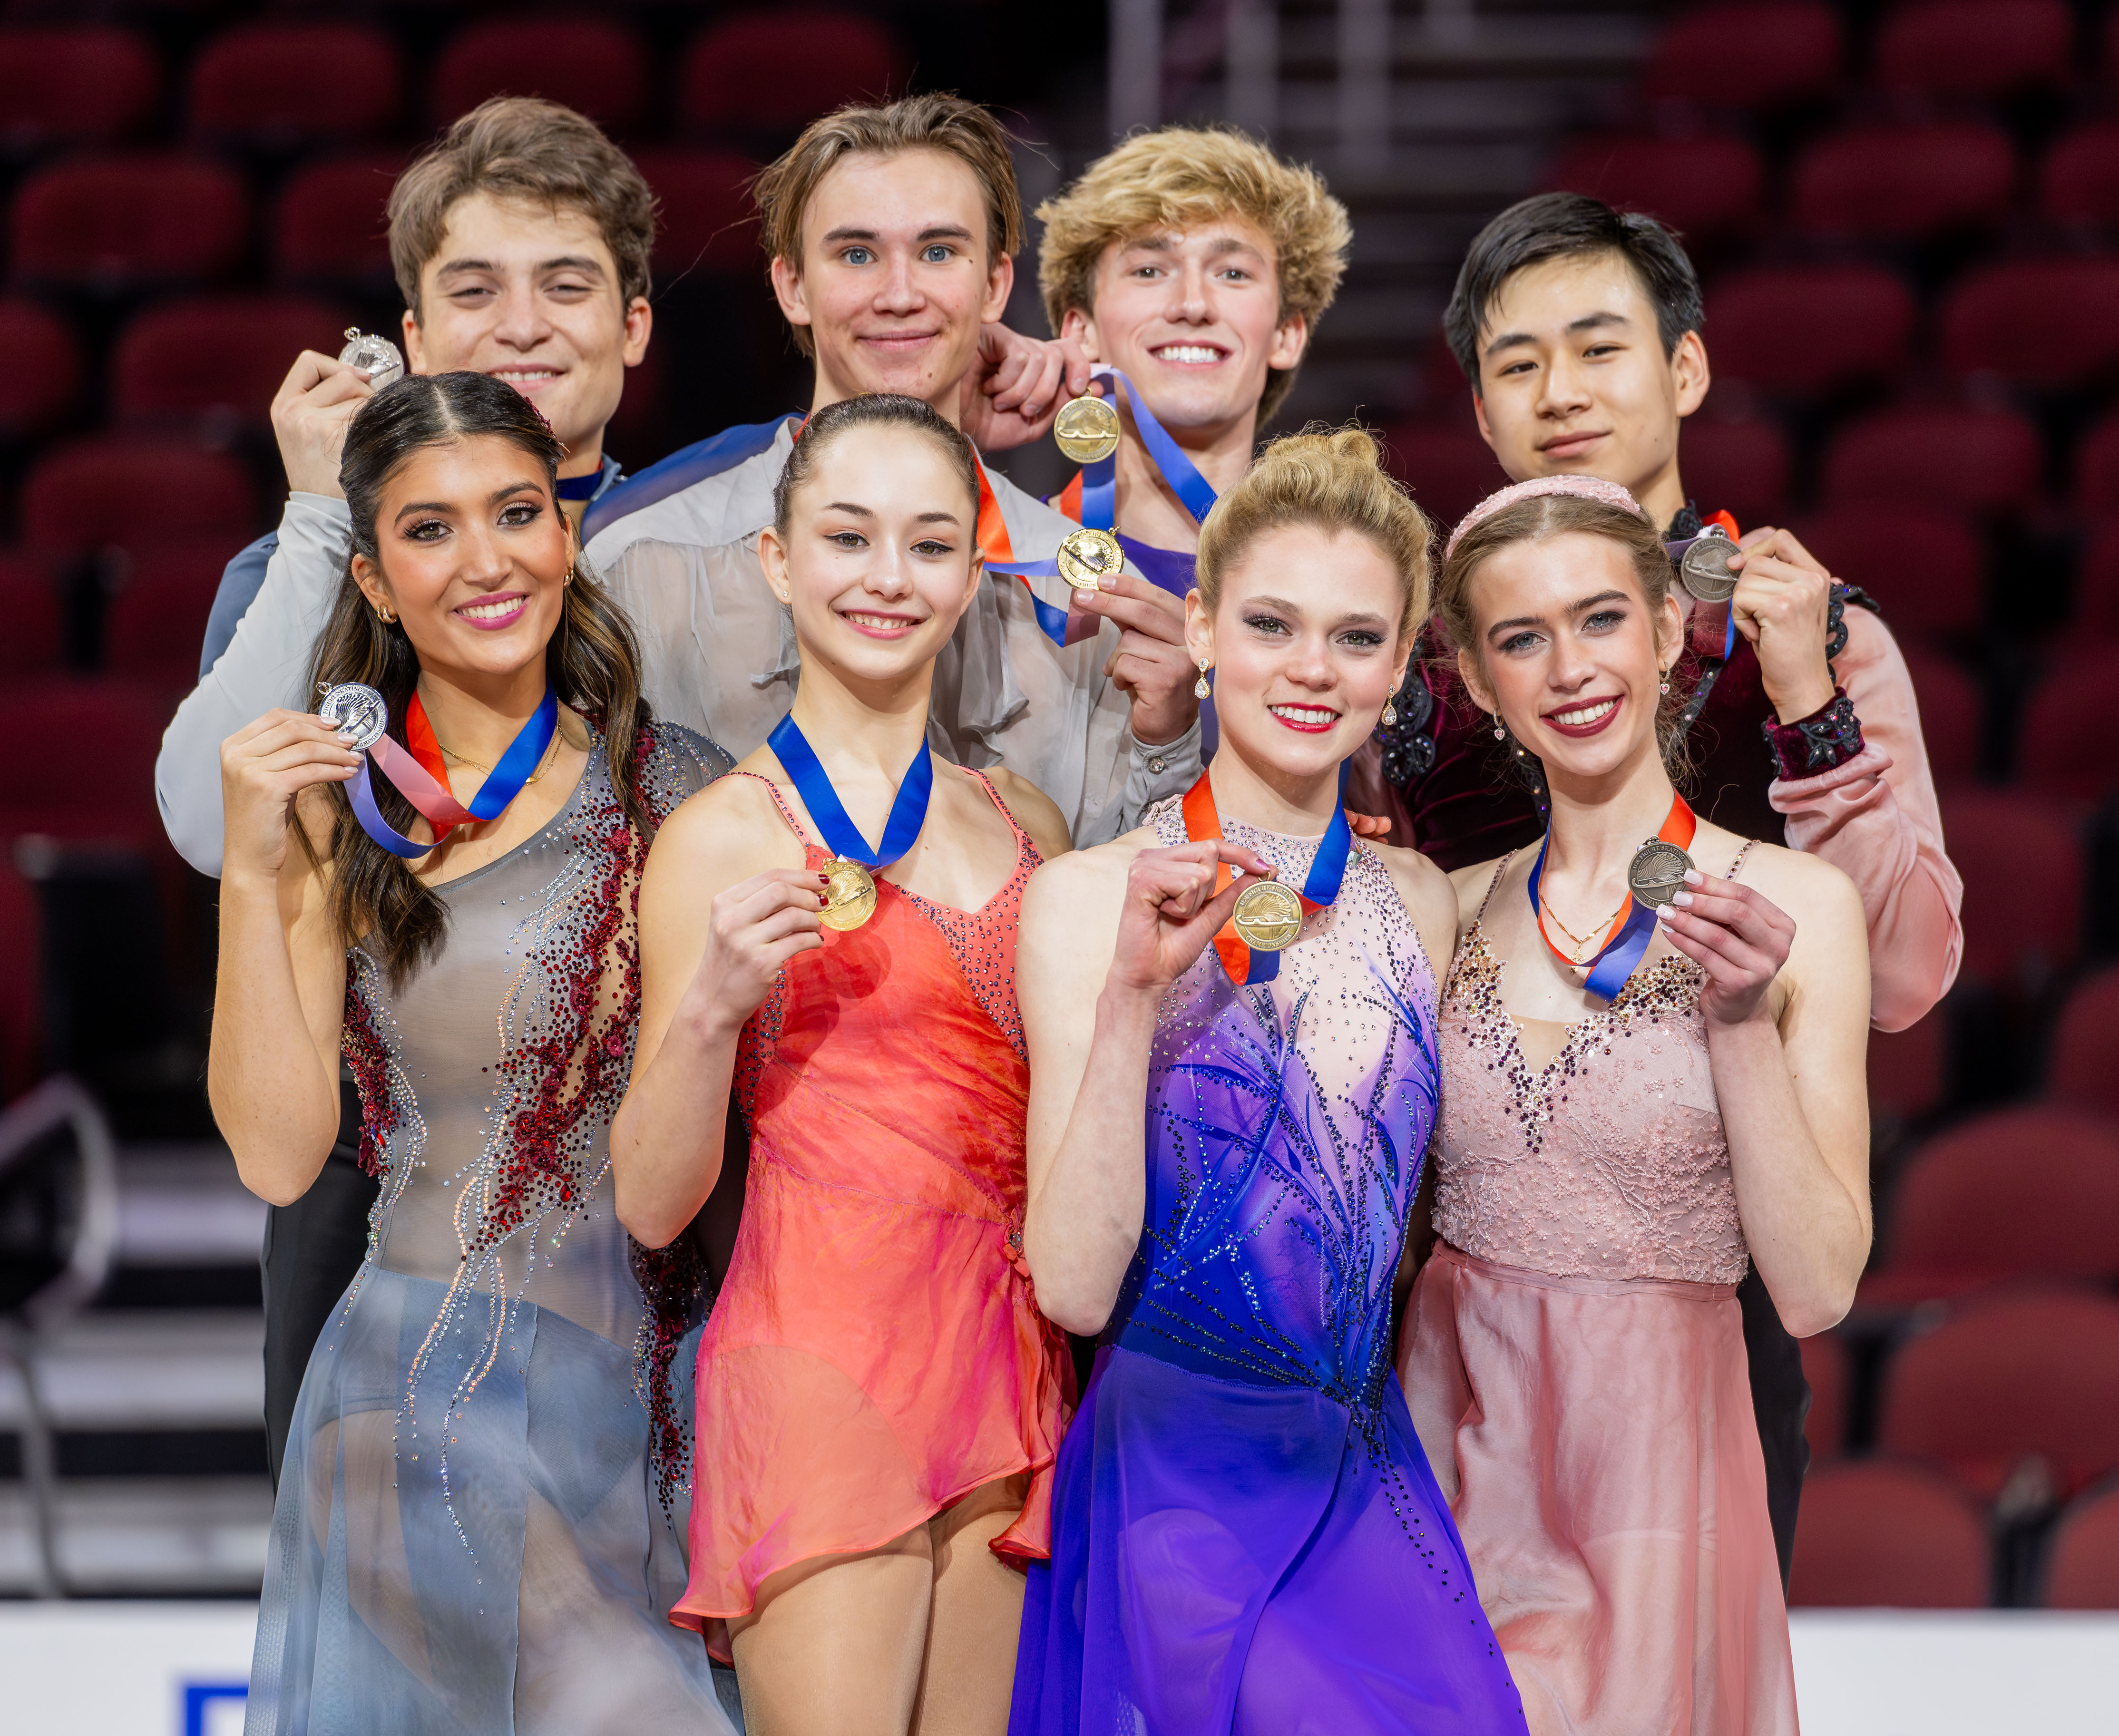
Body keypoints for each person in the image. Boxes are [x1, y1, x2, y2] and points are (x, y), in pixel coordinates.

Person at [158, 92, 1082, 1492]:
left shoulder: (725, 541)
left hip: (670, 1208)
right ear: (411, 337)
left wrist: (966, 395)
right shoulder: (332, 572)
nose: (522, 325)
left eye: (567, 284)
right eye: (473, 291)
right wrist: (313, 516)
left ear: (638, 324)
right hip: (388, 1210)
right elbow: (199, 817)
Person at [1357, 191, 1961, 1576]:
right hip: (1443, 1284)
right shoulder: (1426, 662)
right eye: (1517, 364)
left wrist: (1805, 699)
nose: (1559, 392)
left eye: (1599, 347)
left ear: (1685, 370)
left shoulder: (1816, 634)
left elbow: (1911, 974)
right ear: (1483, 411)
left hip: (1710, 1287)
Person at [213, 371, 737, 1731]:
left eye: (517, 512)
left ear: (567, 531)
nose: (488, 560)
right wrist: (247, 870)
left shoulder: (678, 787)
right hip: (421, 1403)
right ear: (377, 581)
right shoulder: (337, 818)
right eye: (431, 530)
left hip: (652, 1413)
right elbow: (275, 1158)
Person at [1010, 429, 1527, 1736]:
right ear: (1195, 625)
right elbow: (1069, 1285)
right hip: (1171, 1481)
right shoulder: (1083, 899)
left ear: (1401, 663)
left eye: (1356, 638)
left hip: (1363, 1466)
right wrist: (1132, 991)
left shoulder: (1414, 895)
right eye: (1269, 623)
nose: (1310, 667)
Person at [610, 393, 1074, 1736]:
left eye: (928, 544)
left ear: (974, 567)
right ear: (777, 560)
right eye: (847, 536)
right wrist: (708, 1007)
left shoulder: (1024, 818)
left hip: (1010, 1355)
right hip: (820, 1357)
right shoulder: (715, 836)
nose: (886, 577)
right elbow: (649, 1201)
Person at [1399, 475, 1872, 1734]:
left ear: (1666, 630)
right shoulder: (1447, 906)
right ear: (1482, 682)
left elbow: (1818, 1286)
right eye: (1519, 637)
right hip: (1448, 1437)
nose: (1566, 666)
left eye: (1599, 618)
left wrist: (1736, 1030)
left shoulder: (1793, 906)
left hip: (1654, 1457)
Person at [584, 93, 1201, 847]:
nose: (900, 294)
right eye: (856, 255)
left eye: (939, 252)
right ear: (792, 288)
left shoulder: (1073, 594)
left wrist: (1169, 745)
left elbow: (1121, 884)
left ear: (996, 284)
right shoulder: (639, 569)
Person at [1032, 126, 1347, 605]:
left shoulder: (1346, 580)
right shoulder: (1004, 560)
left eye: (1233, 273)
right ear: (1081, 333)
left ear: (1286, 335)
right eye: (1149, 271)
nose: (1193, 304)